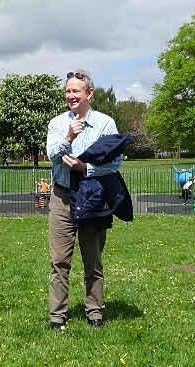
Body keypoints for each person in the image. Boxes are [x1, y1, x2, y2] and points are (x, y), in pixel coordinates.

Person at [46, 69, 121, 329]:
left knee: (93, 259)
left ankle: (94, 312)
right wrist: (69, 136)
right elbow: (52, 155)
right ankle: (57, 317)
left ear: (89, 93)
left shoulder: (105, 124)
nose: (70, 96)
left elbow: (114, 162)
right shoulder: (57, 123)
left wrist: (84, 168)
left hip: (93, 198)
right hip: (62, 197)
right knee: (59, 262)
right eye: (68, 91)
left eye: (75, 91)